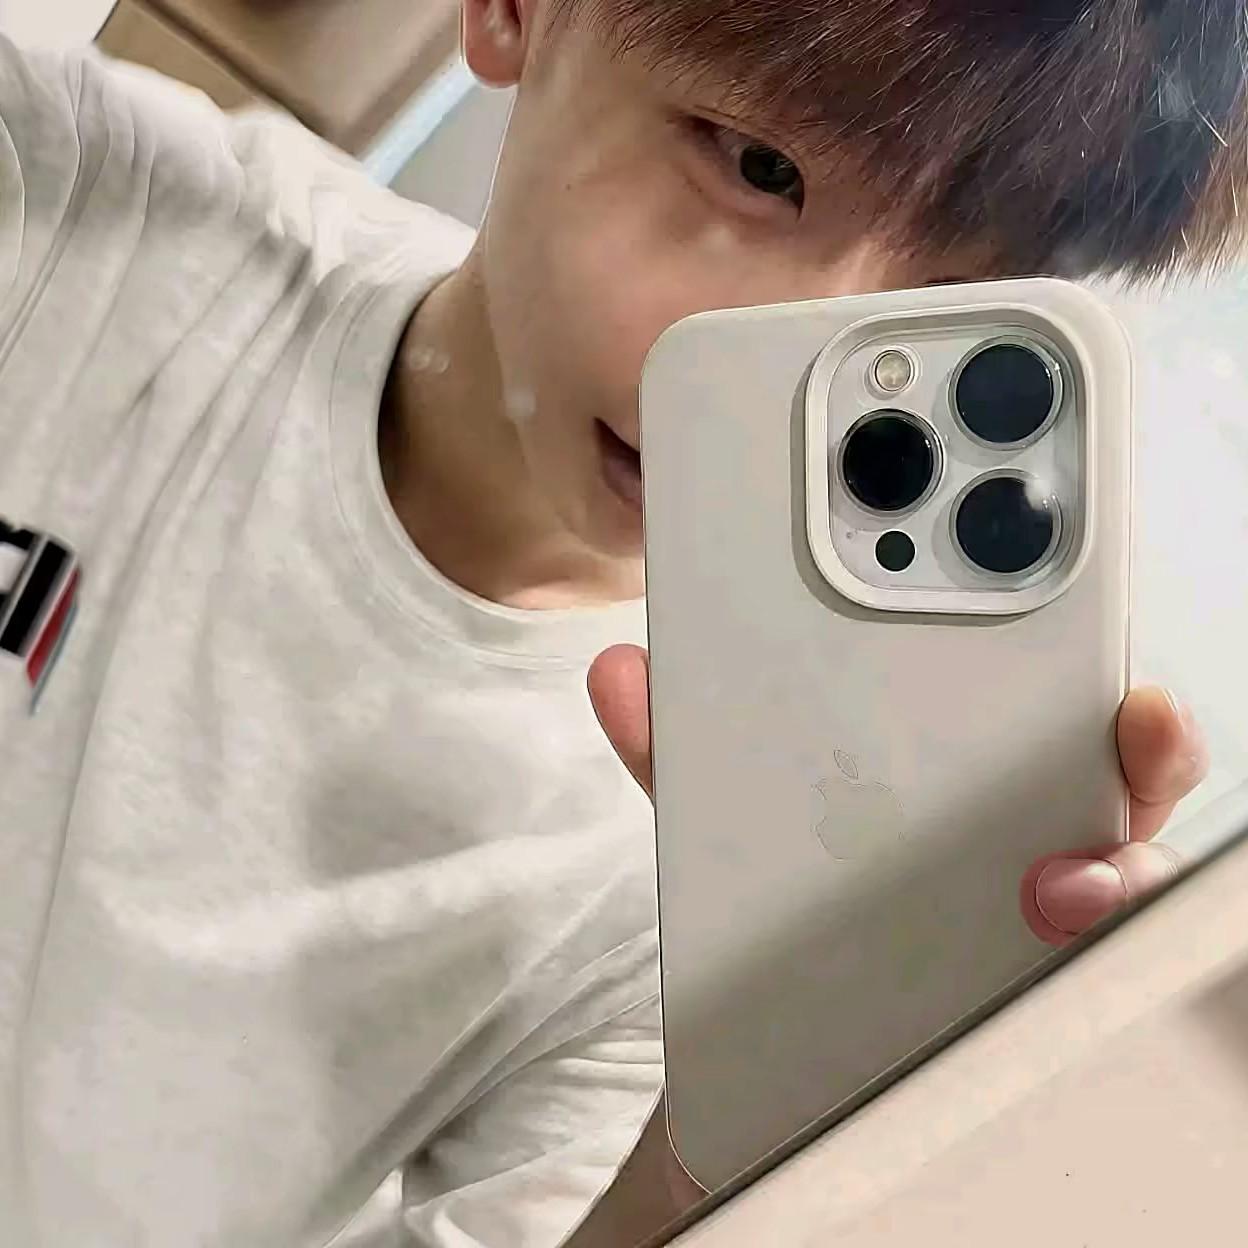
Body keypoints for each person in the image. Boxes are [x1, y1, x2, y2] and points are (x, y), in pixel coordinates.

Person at [0, 0, 1232, 1244]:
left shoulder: (722, 844)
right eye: (762, 169)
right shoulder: (75, 205)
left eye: (957, 293)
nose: (782, 372)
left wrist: (746, 1165)